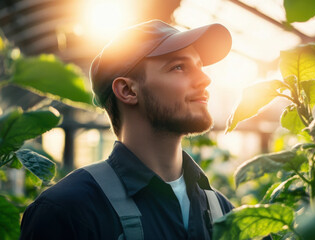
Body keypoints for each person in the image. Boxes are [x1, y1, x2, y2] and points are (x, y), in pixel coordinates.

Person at [20, 19, 234, 240]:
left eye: (200, 66)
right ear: (128, 90)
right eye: (178, 67)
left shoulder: (225, 213)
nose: (205, 79)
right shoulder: (66, 212)